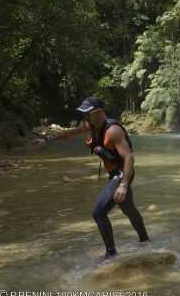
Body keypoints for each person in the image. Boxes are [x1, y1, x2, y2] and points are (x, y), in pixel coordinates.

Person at [36, 96, 149, 258]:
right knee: (128, 208)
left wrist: (123, 185)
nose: (85, 117)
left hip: (122, 173)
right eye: (84, 114)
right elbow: (70, 134)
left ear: (99, 112)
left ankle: (111, 254)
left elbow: (129, 158)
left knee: (99, 213)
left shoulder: (113, 131)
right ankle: (145, 241)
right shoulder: (91, 125)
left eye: (88, 113)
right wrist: (47, 140)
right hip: (113, 174)